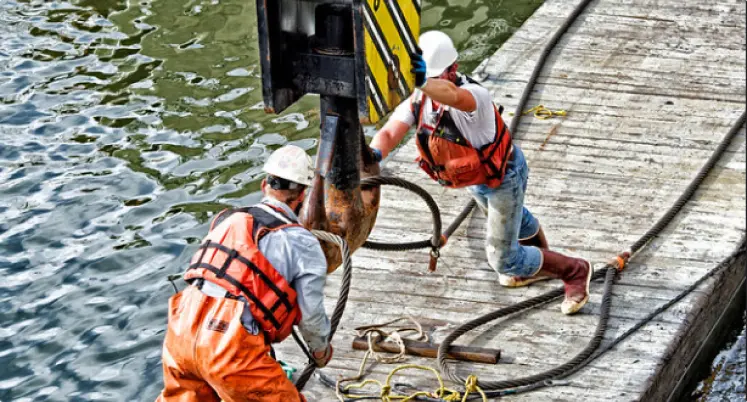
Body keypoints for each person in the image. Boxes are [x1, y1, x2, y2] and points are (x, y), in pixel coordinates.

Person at [369, 30, 592, 315]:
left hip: (503, 177)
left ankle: (573, 270)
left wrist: (425, 82)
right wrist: (374, 155)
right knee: (514, 219)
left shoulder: (475, 97)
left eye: (437, 76)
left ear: (454, 70)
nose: (433, 83)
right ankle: (537, 264)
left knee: (503, 259)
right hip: (474, 180)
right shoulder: (419, 101)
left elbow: (452, 96)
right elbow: (389, 132)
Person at [157, 145, 333, 402]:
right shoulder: (302, 242)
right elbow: (311, 314)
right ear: (303, 195)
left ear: (264, 186)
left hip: (180, 335)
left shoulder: (225, 219)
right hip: (230, 348)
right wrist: (320, 351)